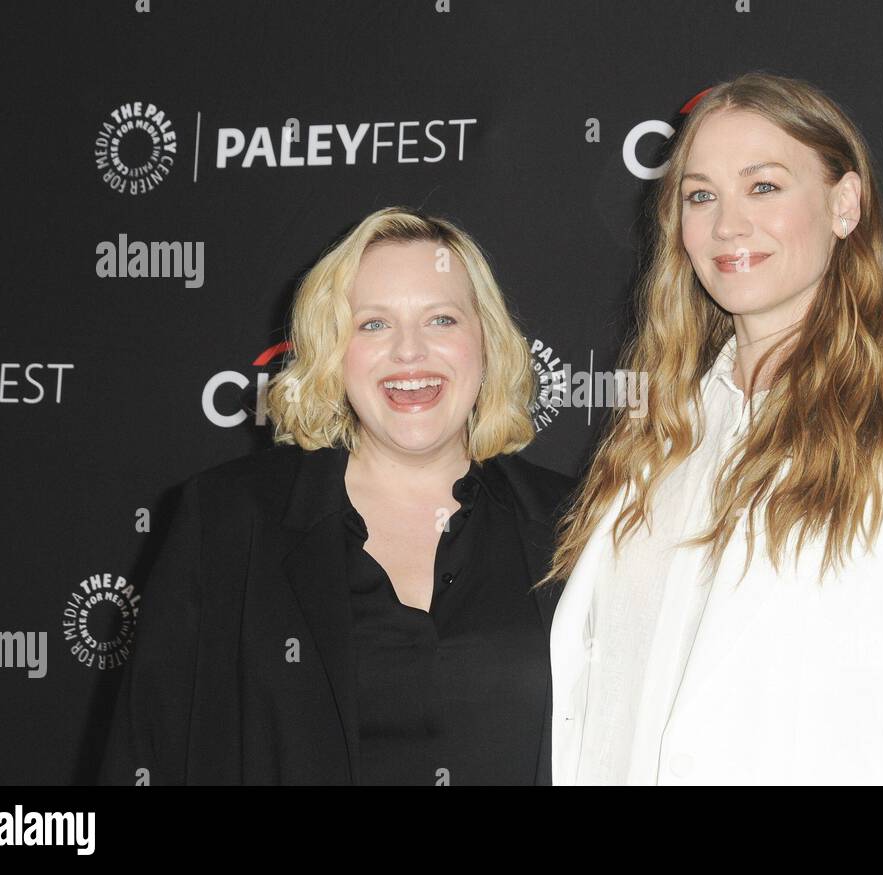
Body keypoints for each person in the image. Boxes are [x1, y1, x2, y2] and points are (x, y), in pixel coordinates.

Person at [539, 72, 883, 785]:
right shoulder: (655, 438)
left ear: (845, 204)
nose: (727, 225)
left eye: (763, 186)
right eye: (701, 195)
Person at [99, 206, 575, 785]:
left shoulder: (574, 525)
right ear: (332, 349)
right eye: (373, 324)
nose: (409, 352)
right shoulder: (228, 521)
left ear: (486, 341)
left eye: (441, 319)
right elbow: (150, 749)